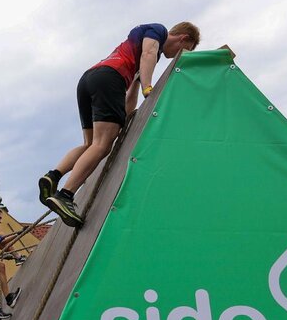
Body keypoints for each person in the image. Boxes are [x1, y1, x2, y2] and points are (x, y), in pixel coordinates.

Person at [40, 22, 201, 227]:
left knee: (91, 144)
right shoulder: (158, 32)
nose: (176, 56)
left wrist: (124, 117)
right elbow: (149, 55)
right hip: (110, 78)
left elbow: (129, 93)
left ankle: (53, 176)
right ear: (183, 38)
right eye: (183, 50)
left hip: (89, 79)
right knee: (102, 145)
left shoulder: (136, 52)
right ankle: (65, 195)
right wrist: (148, 88)